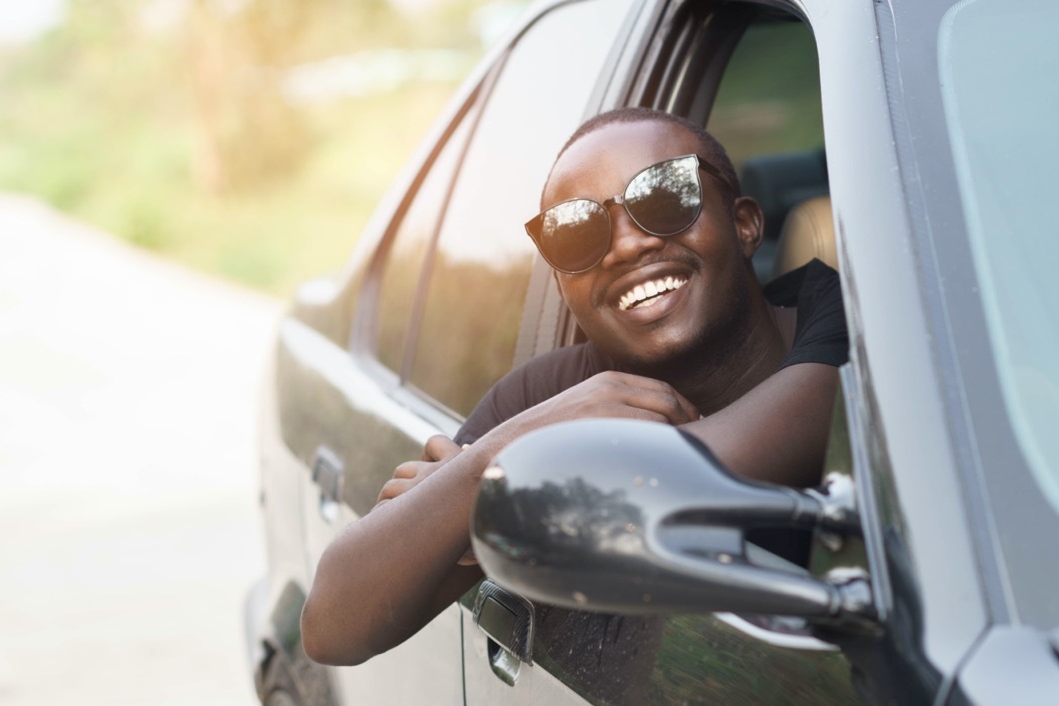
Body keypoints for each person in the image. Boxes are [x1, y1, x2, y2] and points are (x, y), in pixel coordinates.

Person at [301, 107, 847, 667]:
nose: (628, 246)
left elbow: (689, 479)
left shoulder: (849, 334)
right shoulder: (551, 399)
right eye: (576, 232)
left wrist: (494, 497)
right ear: (562, 284)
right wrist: (486, 464)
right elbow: (332, 625)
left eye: (665, 198)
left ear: (745, 224)